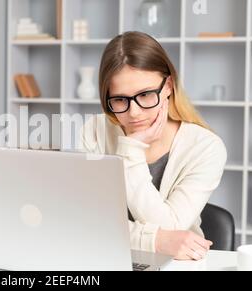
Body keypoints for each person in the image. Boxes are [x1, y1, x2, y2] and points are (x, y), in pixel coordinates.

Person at [79, 31, 227, 261]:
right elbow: (82, 221)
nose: (134, 113)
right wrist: (156, 241)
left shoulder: (206, 148)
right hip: (102, 258)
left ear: (168, 86)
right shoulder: (94, 131)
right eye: (119, 99)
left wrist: (130, 150)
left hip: (174, 263)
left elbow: (168, 226)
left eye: (146, 94)